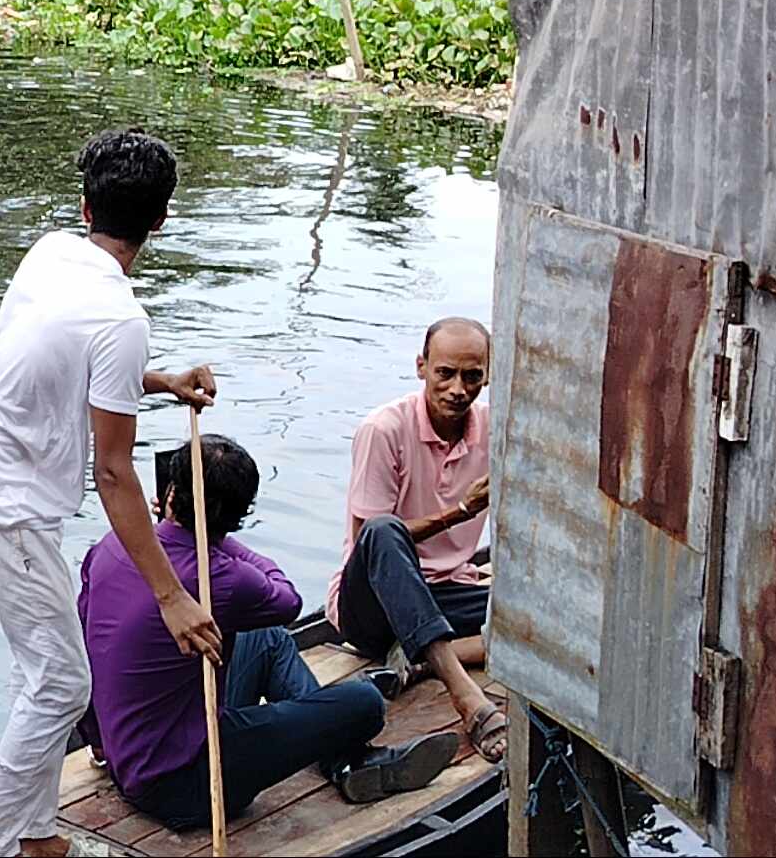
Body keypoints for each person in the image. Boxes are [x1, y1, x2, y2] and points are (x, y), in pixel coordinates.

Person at [0, 128, 222, 858]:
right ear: (161, 220)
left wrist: (162, 381)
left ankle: (37, 837)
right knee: (62, 686)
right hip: (1, 509)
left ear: (85, 206)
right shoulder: (123, 318)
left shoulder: (54, 251)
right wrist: (171, 595)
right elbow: (116, 473)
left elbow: (75, 362)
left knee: (47, 673)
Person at [78, 436, 460, 826]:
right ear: (237, 517)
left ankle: (344, 761)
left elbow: (83, 653)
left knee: (266, 638)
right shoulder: (226, 576)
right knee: (365, 703)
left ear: (171, 493)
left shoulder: (109, 547)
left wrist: (100, 743)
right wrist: (221, 541)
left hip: (127, 759)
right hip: (185, 784)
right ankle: (345, 760)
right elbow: (287, 600)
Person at [326, 317, 506, 762]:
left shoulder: (495, 430)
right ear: (422, 367)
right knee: (384, 531)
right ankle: (465, 694)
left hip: (445, 591)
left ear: (488, 375)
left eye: (472, 376)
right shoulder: (384, 430)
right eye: (445, 374)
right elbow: (369, 540)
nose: (458, 389)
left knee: (539, 618)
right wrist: (461, 512)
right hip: (371, 606)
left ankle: (423, 660)